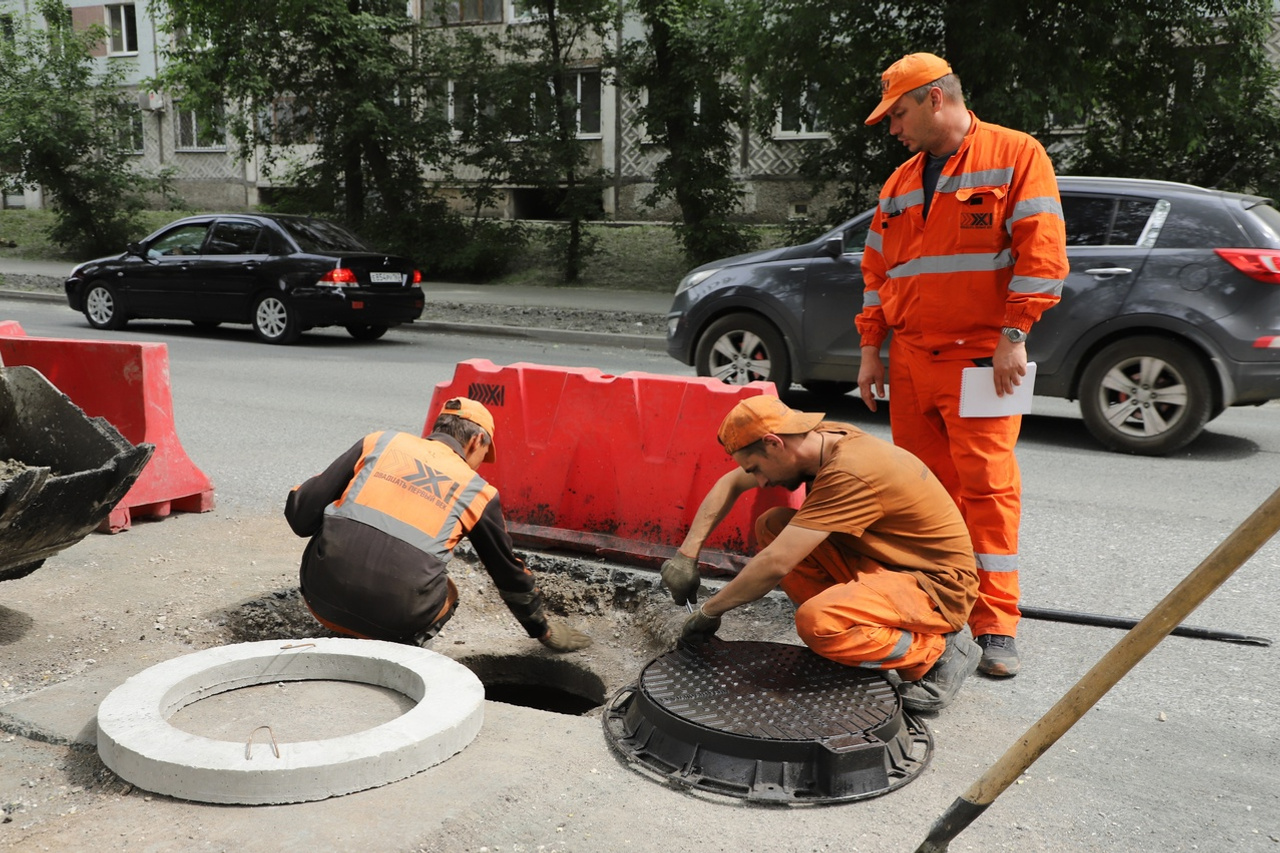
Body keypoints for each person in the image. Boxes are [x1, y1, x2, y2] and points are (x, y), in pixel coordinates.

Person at [856, 53, 1067, 678]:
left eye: (897, 114)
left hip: (984, 357)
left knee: (988, 489)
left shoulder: (1015, 153)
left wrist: (1014, 333)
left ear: (934, 100)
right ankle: (934, 605)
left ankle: (996, 625)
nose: (893, 128)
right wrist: (872, 348)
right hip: (914, 359)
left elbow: (1043, 251)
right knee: (922, 494)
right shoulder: (898, 184)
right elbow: (877, 274)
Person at [660, 395, 981, 713]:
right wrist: (686, 556)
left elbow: (776, 564)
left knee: (818, 623)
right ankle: (858, 635)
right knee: (772, 525)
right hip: (888, 561)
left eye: (757, 468)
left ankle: (938, 651)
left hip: (935, 586)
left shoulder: (850, 471)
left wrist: (709, 611)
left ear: (774, 443)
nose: (760, 480)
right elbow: (730, 483)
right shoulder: (817, 440)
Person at [284, 396, 591, 652]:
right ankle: (400, 651)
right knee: (448, 590)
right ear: (476, 441)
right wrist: (542, 630)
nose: (481, 463)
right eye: (484, 454)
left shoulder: (379, 443)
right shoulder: (476, 490)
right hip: (395, 623)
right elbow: (508, 573)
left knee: (334, 523)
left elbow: (300, 517)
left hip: (321, 598)